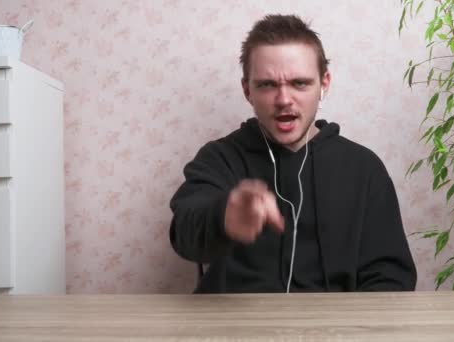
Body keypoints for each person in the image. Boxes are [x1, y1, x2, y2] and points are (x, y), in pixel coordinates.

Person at [169, 14, 416, 293]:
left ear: (324, 84)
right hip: (234, 330)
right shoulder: (219, 157)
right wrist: (222, 216)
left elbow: (391, 277)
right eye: (267, 85)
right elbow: (184, 235)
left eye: (299, 83)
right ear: (247, 90)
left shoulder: (364, 167)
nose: (284, 100)